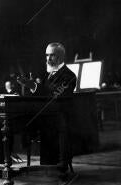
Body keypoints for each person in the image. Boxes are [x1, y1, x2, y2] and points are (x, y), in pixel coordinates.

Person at [17, 42, 77, 175]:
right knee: (10, 122)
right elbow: (42, 94)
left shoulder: (69, 75)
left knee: (59, 124)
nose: (48, 59)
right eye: (47, 55)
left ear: (61, 56)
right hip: (46, 117)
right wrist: (30, 86)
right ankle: (4, 163)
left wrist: (34, 86)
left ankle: (61, 164)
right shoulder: (47, 75)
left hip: (59, 118)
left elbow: (55, 95)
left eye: (52, 55)